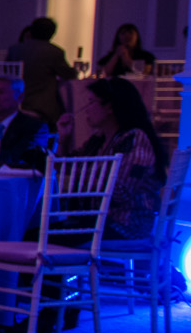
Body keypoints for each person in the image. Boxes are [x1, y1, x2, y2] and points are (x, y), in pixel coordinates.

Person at [68, 77, 166, 241]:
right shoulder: (101, 139)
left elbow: (121, 192)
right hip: (100, 222)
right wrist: (64, 138)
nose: (86, 109)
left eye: (91, 102)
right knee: (38, 232)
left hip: (125, 225)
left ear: (110, 107)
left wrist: (79, 180)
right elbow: (70, 166)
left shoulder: (134, 139)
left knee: (37, 236)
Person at [6, 16, 74, 124]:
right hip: (41, 106)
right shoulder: (54, 52)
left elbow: (6, 72)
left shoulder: (14, 50)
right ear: (52, 33)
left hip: (12, 102)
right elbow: (69, 75)